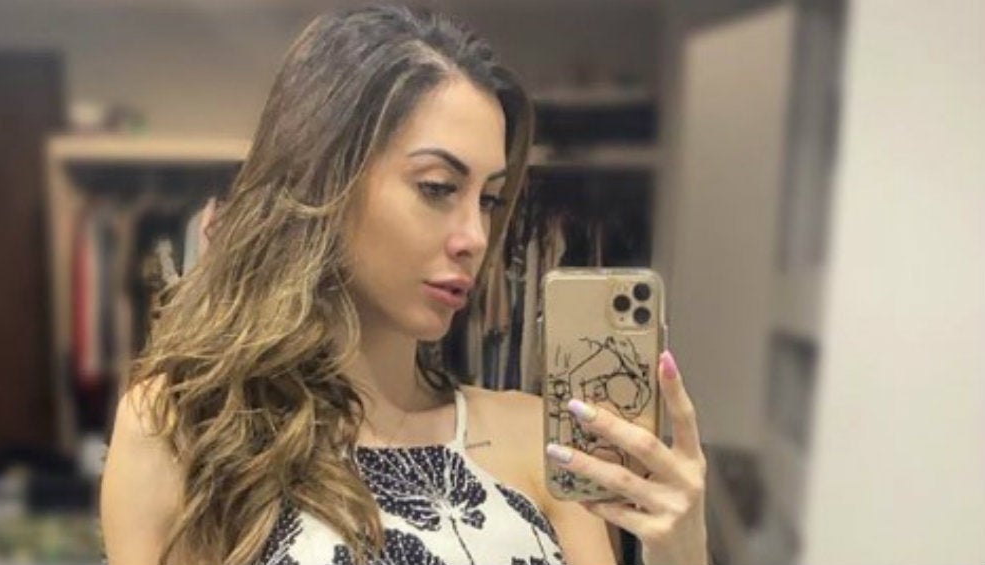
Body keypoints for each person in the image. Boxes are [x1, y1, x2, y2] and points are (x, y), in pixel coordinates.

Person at [99, 5, 708, 565]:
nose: (475, 236)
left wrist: (680, 554)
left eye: (490, 199)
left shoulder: (538, 439)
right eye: (438, 188)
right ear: (325, 180)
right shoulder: (184, 429)